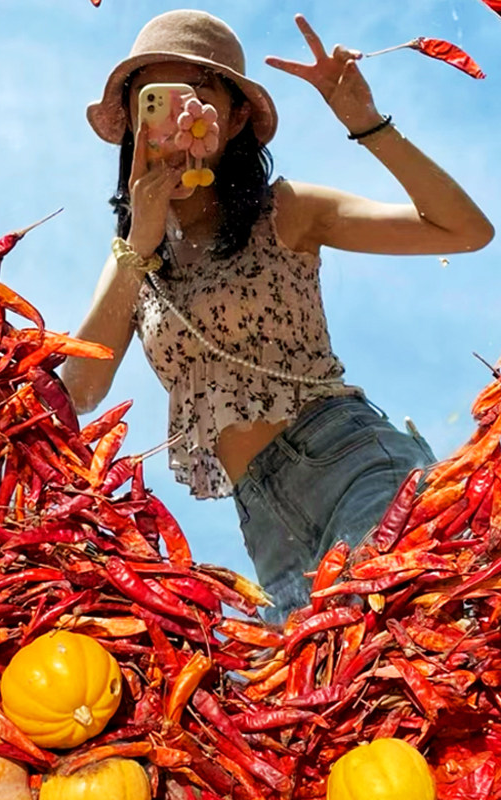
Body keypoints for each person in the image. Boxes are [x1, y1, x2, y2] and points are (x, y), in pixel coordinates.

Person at [60, 9, 494, 622]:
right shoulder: (134, 261)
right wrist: (142, 236)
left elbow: (465, 229)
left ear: (235, 117)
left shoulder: (285, 210)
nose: (178, 115)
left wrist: (366, 124)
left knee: (400, 620)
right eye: (155, 97)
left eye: (200, 90)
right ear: (134, 119)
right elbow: (77, 391)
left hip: (347, 457)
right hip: (262, 522)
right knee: (337, 690)